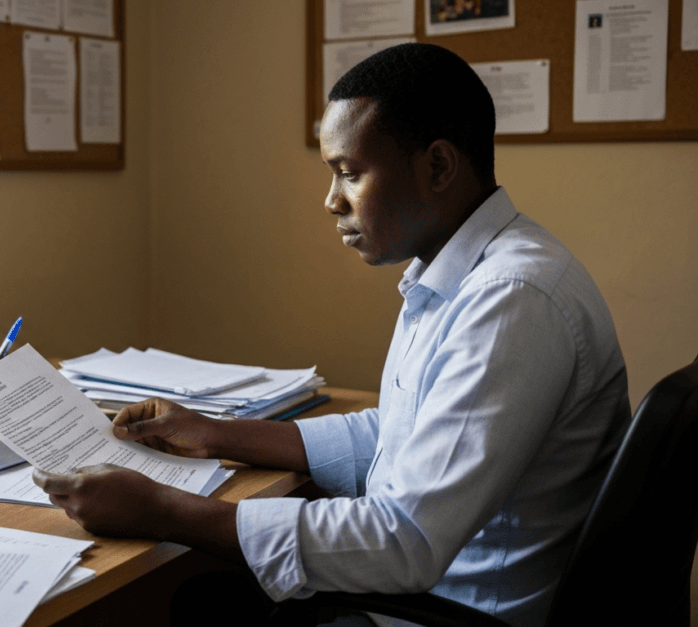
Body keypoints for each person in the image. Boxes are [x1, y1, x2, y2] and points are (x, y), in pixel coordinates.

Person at [33, 43, 630, 627]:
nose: (331, 201)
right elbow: (399, 434)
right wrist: (216, 432)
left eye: (349, 173)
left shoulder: (510, 299)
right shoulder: (464, 274)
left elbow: (404, 541)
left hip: (455, 610)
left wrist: (162, 510)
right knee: (207, 597)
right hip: (432, 593)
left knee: (198, 600)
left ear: (438, 167)